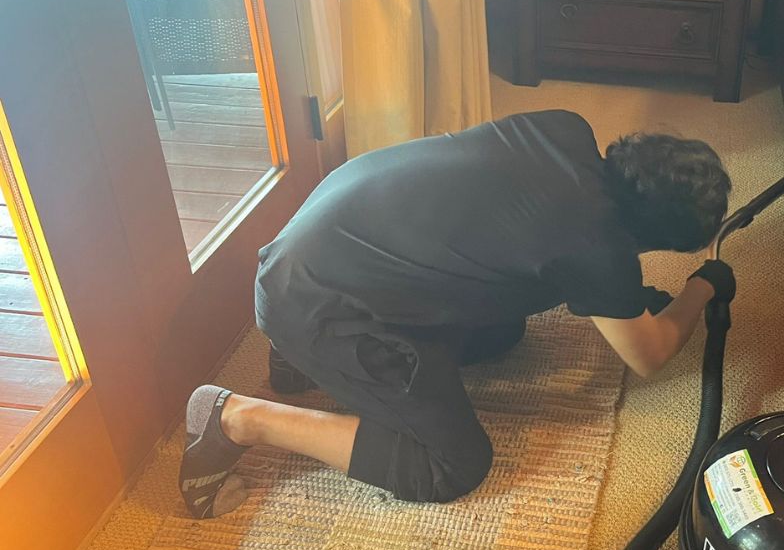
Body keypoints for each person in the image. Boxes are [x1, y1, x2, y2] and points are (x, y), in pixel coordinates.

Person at [178, 110, 735, 519]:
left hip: (316, 247)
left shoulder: (565, 129)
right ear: (650, 238)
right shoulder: (599, 249)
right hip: (314, 303)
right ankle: (237, 418)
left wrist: (627, 298)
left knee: (506, 329)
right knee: (452, 465)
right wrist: (702, 286)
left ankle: (300, 357)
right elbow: (650, 354)